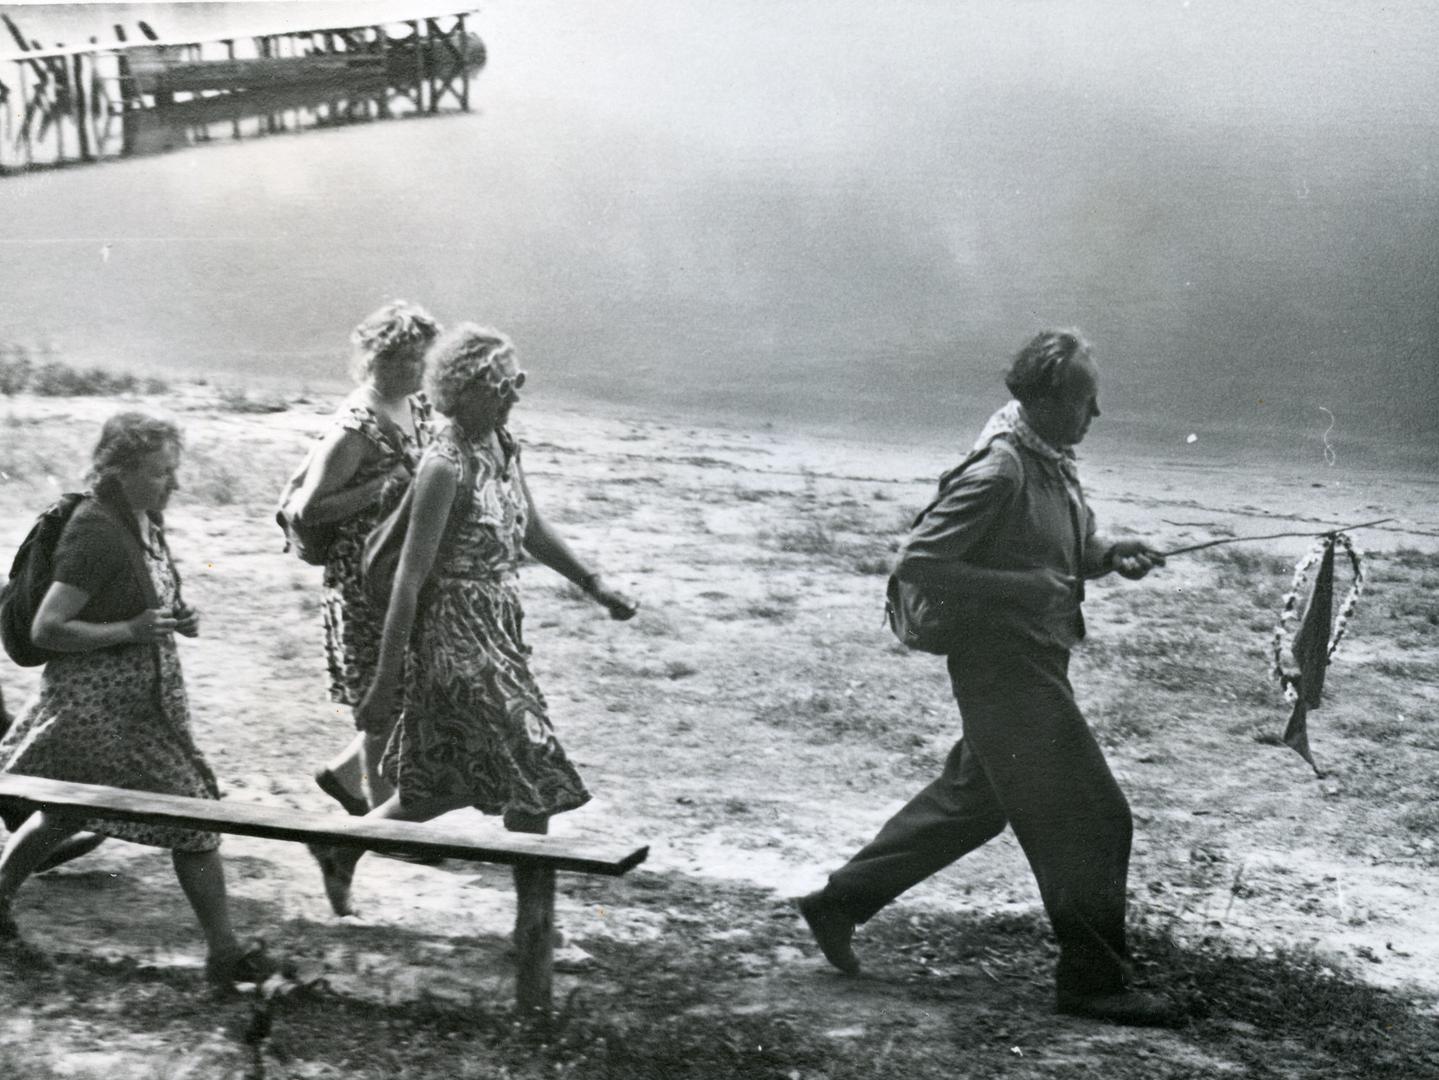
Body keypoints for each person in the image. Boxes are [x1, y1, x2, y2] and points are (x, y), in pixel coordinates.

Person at [798, 330, 1180, 1027]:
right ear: (1044, 399)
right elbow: (918, 559)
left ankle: (837, 904)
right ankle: (1093, 982)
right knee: (1092, 818)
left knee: (971, 802)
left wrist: (1109, 553)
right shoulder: (1001, 469)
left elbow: (1067, 550)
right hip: (1002, 670)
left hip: (1034, 662)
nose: (1095, 414)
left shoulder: (1049, 460)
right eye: (1084, 400)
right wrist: (1021, 587)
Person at [308, 324, 637, 926]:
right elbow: (408, 581)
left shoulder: (502, 446)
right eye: (503, 386)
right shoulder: (445, 465)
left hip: (498, 633)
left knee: (450, 783)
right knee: (532, 762)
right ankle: (535, 929)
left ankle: (341, 846)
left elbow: (532, 530)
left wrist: (595, 585)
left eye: (516, 383)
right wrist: (384, 684)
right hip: (453, 641)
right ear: (466, 390)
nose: (514, 396)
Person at [0, 412, 279, 987]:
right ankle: (225, 954)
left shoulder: (143, 518)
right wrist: (130, 629)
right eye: (159, 473)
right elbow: (47, 629)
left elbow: (140, 597)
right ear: (118, 472)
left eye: (173, 471)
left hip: (140, 707)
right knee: (194, 817)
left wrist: (177, 616)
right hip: (97, 709)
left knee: (63, 813)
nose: (174, 484)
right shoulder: (97, 530)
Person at [288, 301, 440, 817]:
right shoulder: (355, 428)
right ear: (377, 358)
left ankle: (346, 778)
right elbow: (309, 509)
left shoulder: (416, 405)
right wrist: (384, 484)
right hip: (362, 581)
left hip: (402, 570)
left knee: (412, 691)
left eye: (423, 358)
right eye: (409, 359)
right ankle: (382, 827)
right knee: (383, 701)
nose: (419, 369)